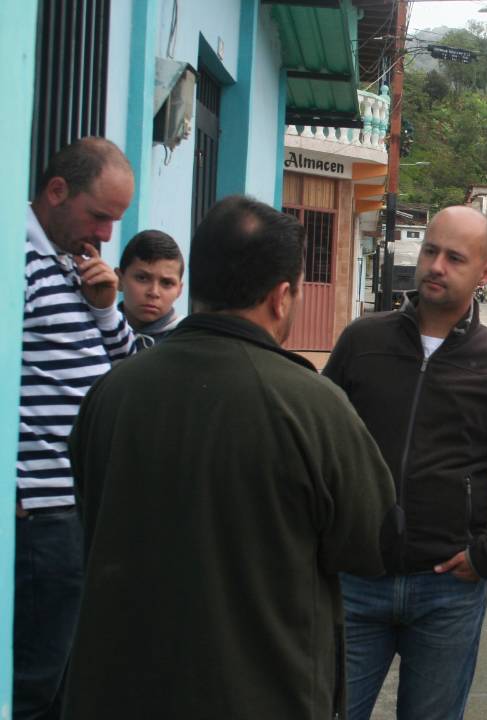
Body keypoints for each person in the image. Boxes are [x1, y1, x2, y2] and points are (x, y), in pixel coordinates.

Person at [63, 196, 396, 719]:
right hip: (262, 691)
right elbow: (371, 543)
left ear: (194, 281)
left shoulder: (111, 393)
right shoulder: (311, 406)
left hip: (114, 689)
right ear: (282, 296)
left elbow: (91, 507)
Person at [323, 205, 487, 720]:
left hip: (447, 590)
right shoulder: (363, 341)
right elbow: (317, 447)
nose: (436, 265)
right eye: (431, 251)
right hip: (355, 581)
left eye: (455, 258)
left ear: (485, 274)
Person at [17, 137, 135, 720]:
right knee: (38, 681)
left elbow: (129, 366)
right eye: (100, 216)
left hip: (76, 505)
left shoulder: (72, 263)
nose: (108, 235)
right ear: (57, 192)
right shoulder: (21, 258)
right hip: (40, 513)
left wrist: (107, 308)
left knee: (67, 670)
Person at [117, 229, 184, 351]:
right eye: (142, 278)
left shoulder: (188, 341)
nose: (153, 292)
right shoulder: (92, 331)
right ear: (119, 279)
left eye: (167, 283)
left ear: (179, 290)